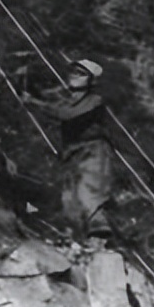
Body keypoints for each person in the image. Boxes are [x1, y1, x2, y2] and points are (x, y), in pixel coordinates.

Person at [24, 58, 113, 239]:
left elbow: (66, 115)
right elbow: (57, 110)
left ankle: (101, 236)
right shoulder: (69, 100)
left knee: (89, 195)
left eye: (81, 74)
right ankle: (78, 239)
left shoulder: (95, 100)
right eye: (73, 72)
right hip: (72, 153)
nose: (75, 76)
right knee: (69, 200)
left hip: (93, 151)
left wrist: (33, 102)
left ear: (91, 80)